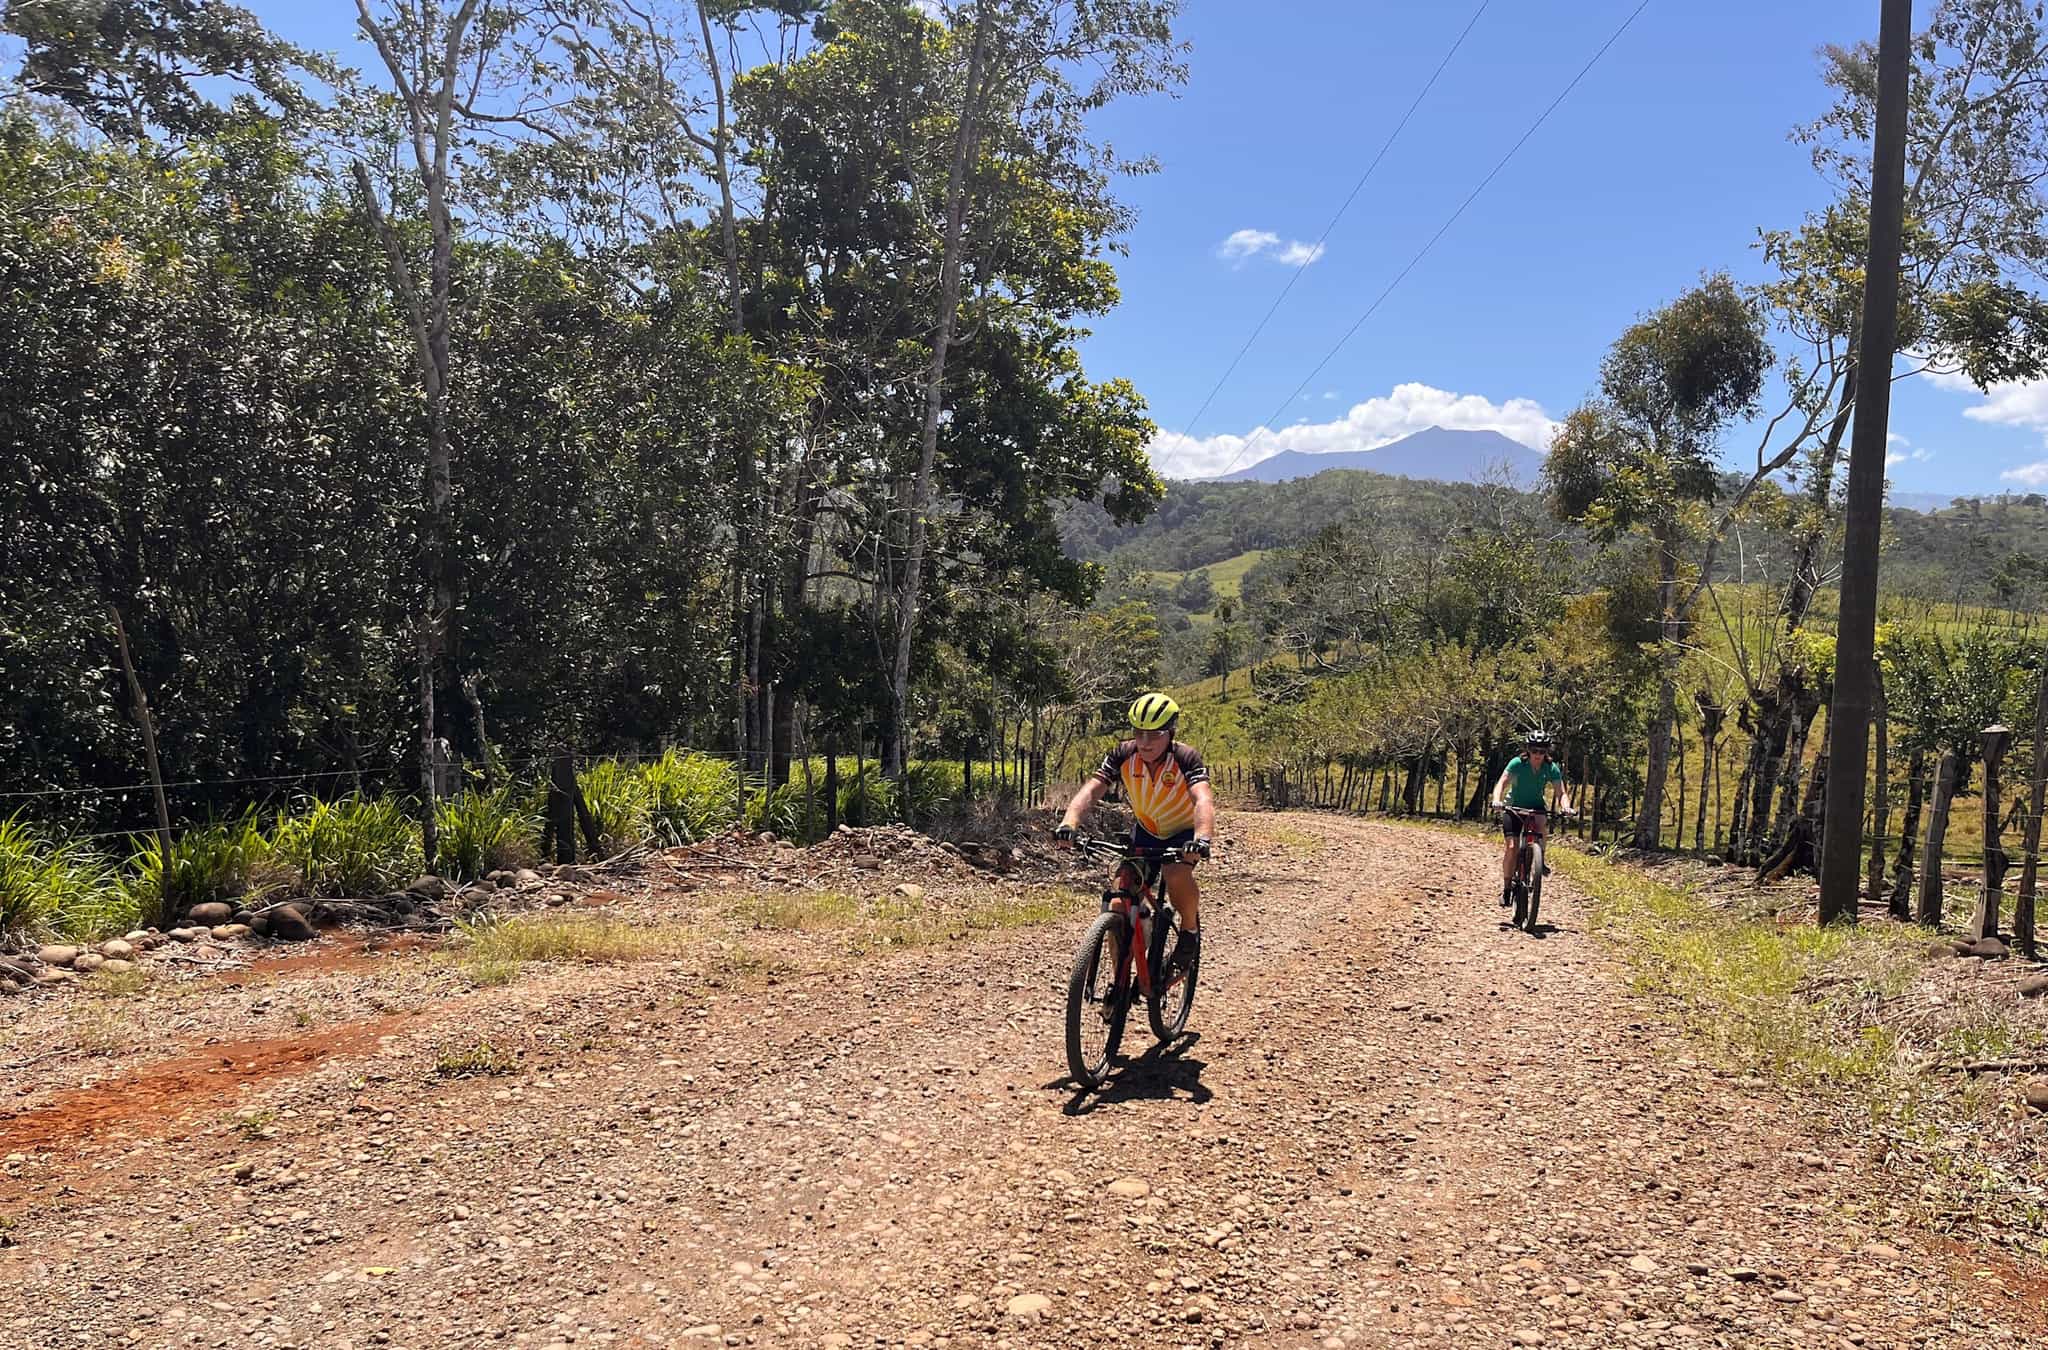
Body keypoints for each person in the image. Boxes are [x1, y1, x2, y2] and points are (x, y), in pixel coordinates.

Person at [1055, 691, 1215, 972]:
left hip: (1182, 834)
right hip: (1145, 832)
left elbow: (1202, 799)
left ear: (1171, 733)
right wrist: (1069, 823)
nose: (1144, 742)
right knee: (1118, 903)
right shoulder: (1123, 754)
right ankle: (1120, 981)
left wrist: (1201, 838)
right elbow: (1092, 790)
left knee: (1175, 875)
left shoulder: (1185, 757)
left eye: (1154, 735)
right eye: (1139, 733)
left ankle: (1189, 932)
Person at [1490, 730, 1573, 905]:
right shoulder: (1517, 763)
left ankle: (1539, 859)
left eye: (1542, 751)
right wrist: (1497, 800)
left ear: (1546, 752)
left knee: (1542, 823)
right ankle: (1506, 888)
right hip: (1513, 807)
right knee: (1512, 847)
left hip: (1535, 807)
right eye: (1534, 750)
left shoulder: (1551, 767)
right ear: (1528, 750)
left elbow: (1561, 792)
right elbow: (1502, 783)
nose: (1537, 755)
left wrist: (1565, 806)